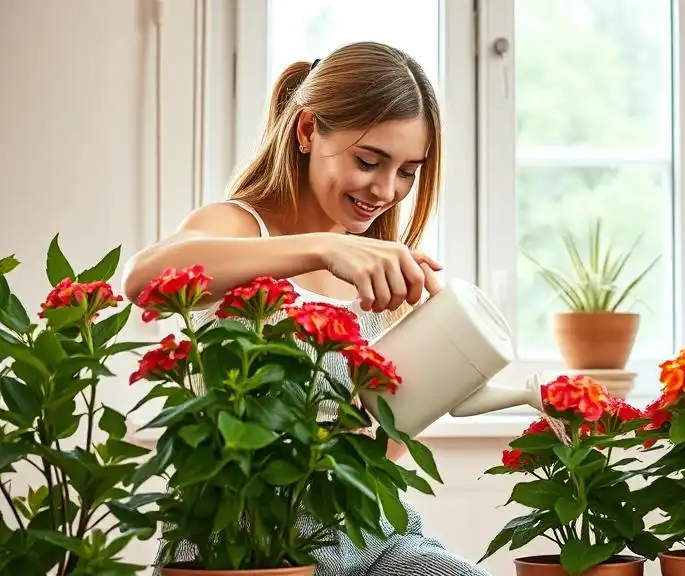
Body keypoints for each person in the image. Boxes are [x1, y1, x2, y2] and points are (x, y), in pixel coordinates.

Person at [123, 41, 489, 576]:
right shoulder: (243, 226)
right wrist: (322, 248)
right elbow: (143, 278)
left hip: (372, 536)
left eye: (408, 170)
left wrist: (434, 368)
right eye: (369, 161)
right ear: (306, 131)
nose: (387, 190)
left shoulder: (378, 271)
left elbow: (381, 456)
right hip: (246, 547)